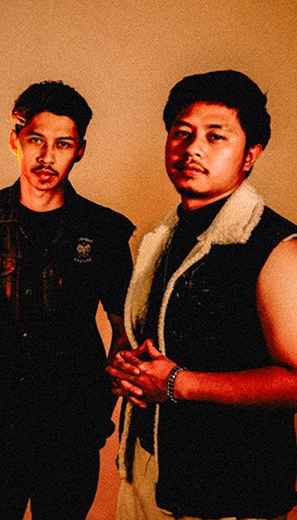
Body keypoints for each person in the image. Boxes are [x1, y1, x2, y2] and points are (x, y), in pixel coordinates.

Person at [108, 70, 297, 519]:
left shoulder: (276, 247)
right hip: (147, 472)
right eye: (182, 133)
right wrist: (128, 370)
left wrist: (178, 383)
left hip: (232, 491)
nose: (193, 148)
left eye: (216, 136)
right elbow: (155, 342)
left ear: (250, 155)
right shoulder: (160, 237)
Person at [0, 81, 135, 519]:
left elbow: (125, 328)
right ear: (15, 141)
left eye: (63, 144)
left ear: (80, 150)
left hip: (71, 421)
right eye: (36, 140)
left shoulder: (104, 229)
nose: (47, 157)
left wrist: (100, 407)